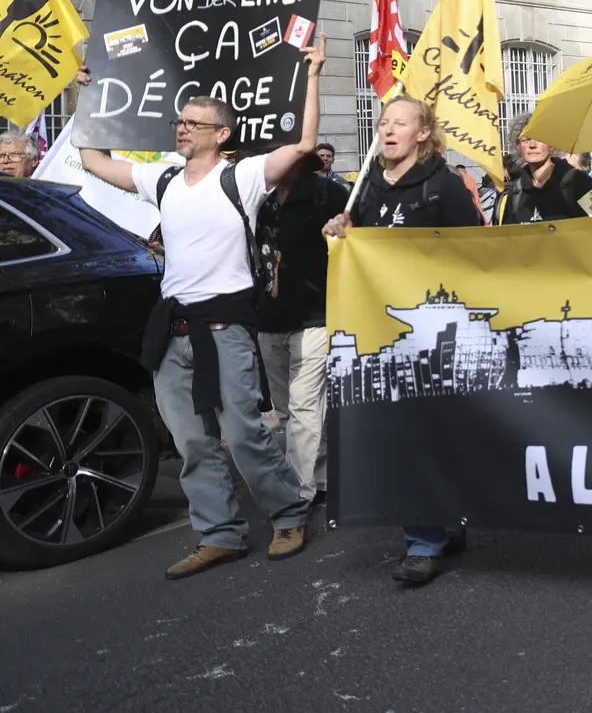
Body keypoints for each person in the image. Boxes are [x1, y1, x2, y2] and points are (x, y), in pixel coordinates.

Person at [78, 35, 327, 579]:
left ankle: (289, 514)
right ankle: (220, 535)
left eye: (194, 122)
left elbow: (304, 144)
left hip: (225, 329)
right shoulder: (163, 178)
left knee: (244, 434)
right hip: (173, 332)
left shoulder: (241, 176)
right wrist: (87, 95)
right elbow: (92, 159)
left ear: (222, 134)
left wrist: (311, 74)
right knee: (192, 441)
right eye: (180, 121)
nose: (182, 128)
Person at [321, 95, 488, 585]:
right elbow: (353, 247)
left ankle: (433, 533)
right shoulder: (365, 185)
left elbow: (476, 251)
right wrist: (340, 230)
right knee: (404, 436)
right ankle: (431, 534)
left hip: (436, 332)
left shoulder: (443, 185)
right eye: (384, 122)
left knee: (432, 434)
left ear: (423, 133)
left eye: (400, 123)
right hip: (383, 330)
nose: (388, 130)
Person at [255, 149, 348, 505]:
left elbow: (360, 238)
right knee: (287, 410)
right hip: (269, 318)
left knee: (304, 406)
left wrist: (344, 229)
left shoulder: (328, 193)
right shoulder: (256, 195)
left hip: (316, 318)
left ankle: (297, 494)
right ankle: (320, 478)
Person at [497, 121, 592, 222]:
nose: (532, 145)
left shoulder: (579, 182)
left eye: (539, 138)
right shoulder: (516, 192)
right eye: (525, 140)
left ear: (551, 144)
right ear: (518, 146)